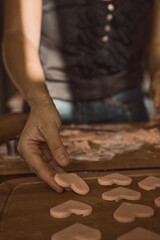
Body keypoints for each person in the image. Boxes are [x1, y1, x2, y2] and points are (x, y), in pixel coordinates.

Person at [2, 0, 160, 192]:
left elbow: (157, 42)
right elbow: (19, 35)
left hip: (127, 106)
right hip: (47, 105)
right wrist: (40, 101)